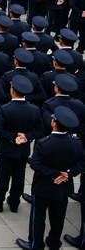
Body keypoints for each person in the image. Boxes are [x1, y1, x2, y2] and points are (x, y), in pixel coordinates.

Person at [16, 106, 85, 250]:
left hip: (43, 186)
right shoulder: (76, 143)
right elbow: (81, 163)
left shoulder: (44, 143)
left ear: (54, 122)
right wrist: (68, 173)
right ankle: (54, 242)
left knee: (38, 217)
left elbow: (35, 164)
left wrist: (55, 173)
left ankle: (36, 244)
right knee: (58, 217)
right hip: (63, 186)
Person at [0, 76, 43, 213]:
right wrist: (26, 137)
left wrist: (13, 137)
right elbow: (39, 130)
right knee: (19, 177)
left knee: (3, 178)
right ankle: (14, 202)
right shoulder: (34, 109)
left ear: (12, 90)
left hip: (5, 149)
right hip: (23, 150)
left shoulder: (5, 109)